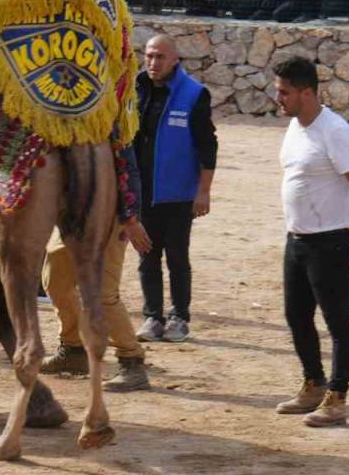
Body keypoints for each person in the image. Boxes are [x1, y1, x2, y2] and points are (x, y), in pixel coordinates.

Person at [271, 57, 349, 428]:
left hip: (331, 241)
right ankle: (313, 383)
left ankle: (337, 397)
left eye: (284, 92)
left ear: (307, 92)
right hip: (297, 238)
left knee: (337, 320)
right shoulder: (296, 126)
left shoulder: (335, 130)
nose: (277, 97)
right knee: (296, 316)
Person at [41, 141, 154, 392]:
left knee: (103, 294)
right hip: (70, 212)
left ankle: (132, 362)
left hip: (110, 213)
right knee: (55, 279)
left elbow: (128, 167)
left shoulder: (106, 116)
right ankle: (72, 348)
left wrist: (131, 218)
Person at [133, 34, 217, 343]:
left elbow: (208, 146)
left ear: (174, 61)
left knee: (177, 257)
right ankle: (152, 317)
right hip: (143, 194)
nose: (153, 62)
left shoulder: (194, 95)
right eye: (149, 55)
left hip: (179, 195)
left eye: (160, 57)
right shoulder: (135, 89)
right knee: (146, 257)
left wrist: (203, 191)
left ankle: (179, 317)